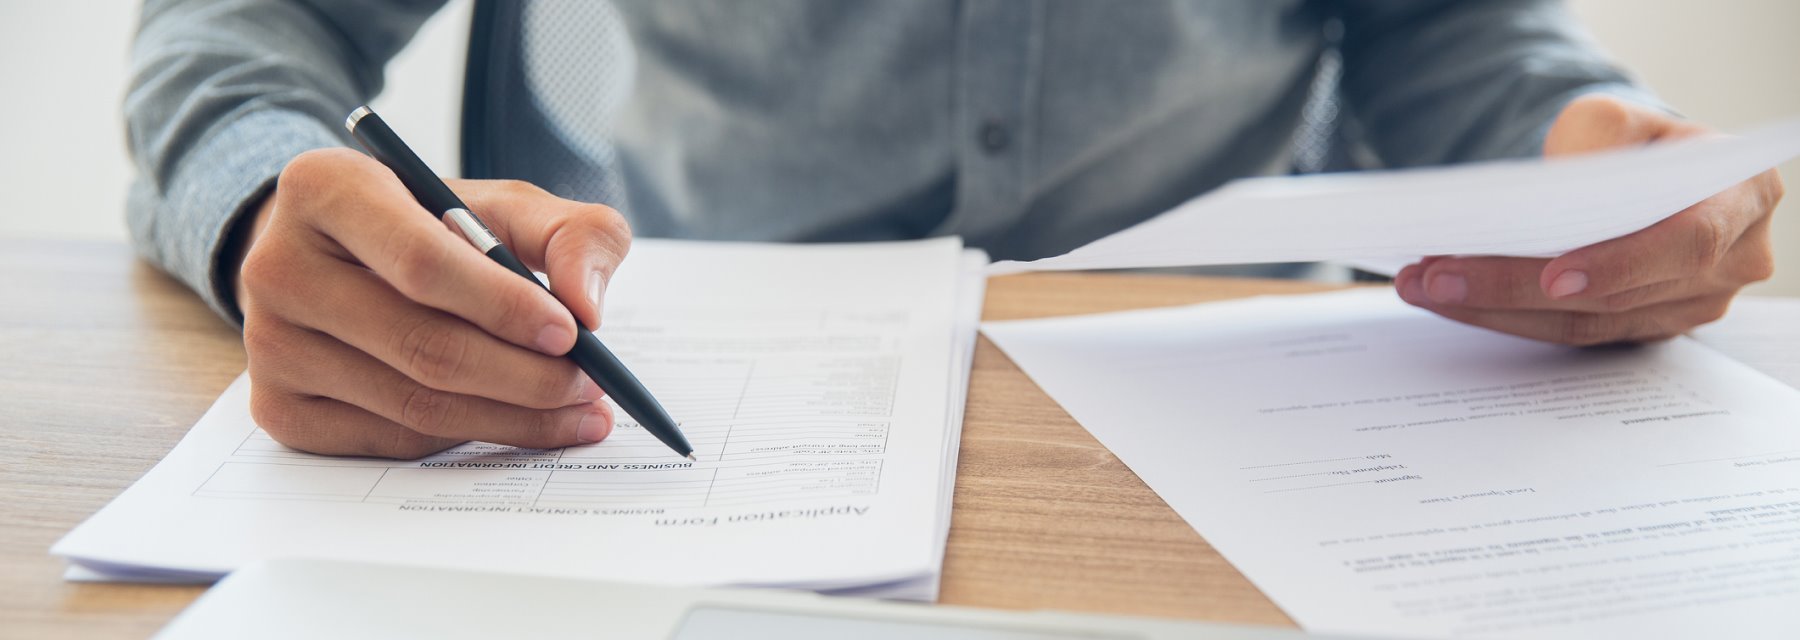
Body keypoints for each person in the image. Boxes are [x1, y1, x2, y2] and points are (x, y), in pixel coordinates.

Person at [125, 0, 1783, 458]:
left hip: (1238, 420)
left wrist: (1573, 162)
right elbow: (241, 24)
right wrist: (274, 199)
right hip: (670, 378)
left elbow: (1439, 30)